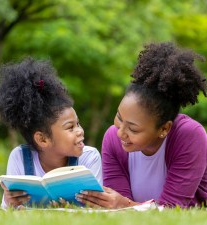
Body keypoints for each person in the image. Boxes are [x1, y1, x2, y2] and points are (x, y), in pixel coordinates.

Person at [75, 42, 207, 208]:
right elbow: (117, 208)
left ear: (164, 129)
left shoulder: (189, 135)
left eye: (133, 128)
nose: (120, 133)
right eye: (119, 117)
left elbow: (173, 209)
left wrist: (125, 204)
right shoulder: (113, 139)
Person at [0, 57, 102, 209]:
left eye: (78, 124)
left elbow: (96, 208)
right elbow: (9, 213)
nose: (80, 131)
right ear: (42, 139)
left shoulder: (89, 158)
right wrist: (10, 202)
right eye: (70, 127)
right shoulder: (19, 158)